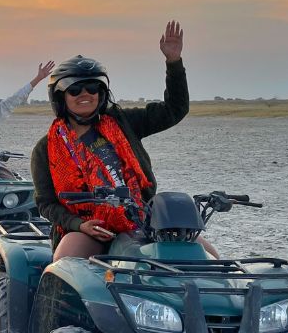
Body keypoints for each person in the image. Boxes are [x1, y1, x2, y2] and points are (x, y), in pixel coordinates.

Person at [31, 20, 219, 261]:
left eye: (92, 87)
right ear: (60, 96)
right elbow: (46, 204)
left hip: (141, 218)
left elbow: (175, 109)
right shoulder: (45, 148)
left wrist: (173, 63)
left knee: (206, 255)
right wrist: (79, 224)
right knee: (64, 265)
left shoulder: (123, 123)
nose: (85, 94)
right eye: (75, 90)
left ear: (101, 93)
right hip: (87, 228)